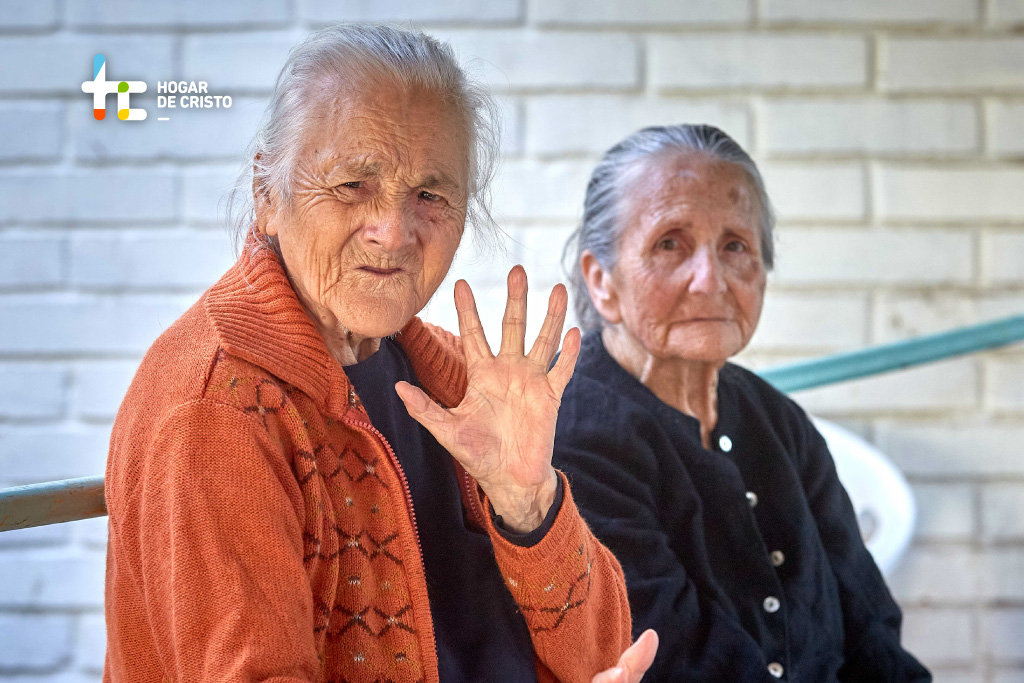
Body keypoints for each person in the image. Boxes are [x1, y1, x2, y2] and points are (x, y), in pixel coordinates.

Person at [103, 24, 657, 683]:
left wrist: (528, 503)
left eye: (429, 194)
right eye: (353, 185)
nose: (392, 231)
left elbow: (603, 653)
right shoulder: (214, 408)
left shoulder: (451, 380)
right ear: (267, 193)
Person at [553, 124, 931, 681]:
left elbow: (869, 623)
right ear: (602, 280)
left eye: (735, 246)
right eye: (670, 243)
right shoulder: (576, 435)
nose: (710, 280)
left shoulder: (776, 420)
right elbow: (677, 661)